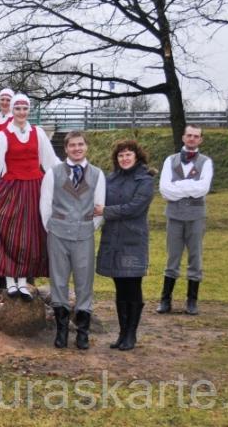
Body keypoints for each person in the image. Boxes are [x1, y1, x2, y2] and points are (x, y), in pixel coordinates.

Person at [0, 93, 60, 300]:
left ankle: (23, 281)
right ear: (12, 111)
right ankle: (9, 281)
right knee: (9, 233)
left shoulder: (38, 133)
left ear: (28, 110)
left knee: (30, 236)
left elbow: (51, 162)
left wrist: (69, 179)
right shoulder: (3, 136)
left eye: (24, 109)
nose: (21, 112)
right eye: (17, 109)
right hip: (11, 189)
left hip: (35, 189)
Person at [40, 131, 105, 349]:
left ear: (86, 147)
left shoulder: (97, 174)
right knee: (58, 280)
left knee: (84, 281)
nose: (76, 149)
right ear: (66, 149)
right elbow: (45, 204)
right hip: (58, 233)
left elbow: (99, 206)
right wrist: (51, 228)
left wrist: (87, 227)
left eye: (80, 144)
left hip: (84, 234)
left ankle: (83, 332)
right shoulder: (53, 173)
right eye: (72, 145)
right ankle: (61, 331)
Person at [95, 140, 155, 351]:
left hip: (133, 240)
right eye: (121, 155)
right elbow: (98, 201)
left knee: (132, 285)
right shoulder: (110, 180)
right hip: (113, 239)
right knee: (120, 286)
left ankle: (131, 334)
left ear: (137, 156)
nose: (125, 158)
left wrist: (106, 212)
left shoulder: (145, 180)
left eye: (128, 154)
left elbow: (134, 208)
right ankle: (122, 333)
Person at [157, 125, 214, 316]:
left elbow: (203, 189)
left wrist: (178, 186)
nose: (191, 139)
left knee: (195, 257)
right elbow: (165, 190)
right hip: (174, 216)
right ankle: (165, 300)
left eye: (196, 136)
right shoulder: (170, 160)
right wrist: (190, 186)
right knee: (172, 257)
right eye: (189, 135)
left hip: (196, 217)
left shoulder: (206, 162)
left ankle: (192, 300)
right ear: (183, 137)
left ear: (200, 140)